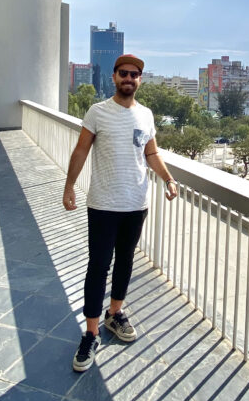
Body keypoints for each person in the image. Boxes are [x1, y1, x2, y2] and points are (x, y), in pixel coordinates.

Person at [63, 54, 178, 372]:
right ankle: (91, 333)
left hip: (136, 204)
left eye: (134, 74)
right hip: (103, 204)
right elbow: (81, 150)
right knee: (98, 266)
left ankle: (115, 313)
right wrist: (69, 186)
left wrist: (168, 179)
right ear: (114, 77)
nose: (129, 78)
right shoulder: (98, 112)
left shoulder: (146, 114)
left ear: (140, 80)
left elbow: (151, 152)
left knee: (125, 261)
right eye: (124, 73)